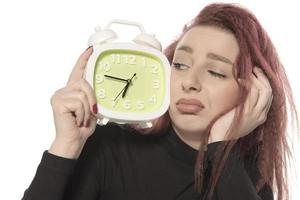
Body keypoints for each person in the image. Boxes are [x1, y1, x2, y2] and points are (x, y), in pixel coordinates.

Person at [22, 3, 298, 200]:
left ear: (253, 94)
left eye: (215, 71)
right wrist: (65, 145)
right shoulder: (109, 148)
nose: (189, 81)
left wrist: (221, 146)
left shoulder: (247, 178)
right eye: (179, 65)